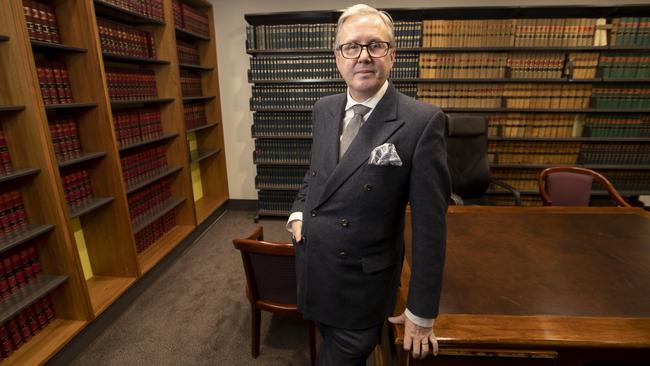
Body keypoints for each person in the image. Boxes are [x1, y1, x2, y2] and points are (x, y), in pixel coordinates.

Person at [287, 4, 450, 365]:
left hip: (363, 286)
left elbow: (430, 228)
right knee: (323, 336)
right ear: (337, 57)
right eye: (351, 47)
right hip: (315, 267)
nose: (363, 56)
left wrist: (421, 312)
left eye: (375, 46)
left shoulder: (422, 122)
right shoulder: (324, 108)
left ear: (392, 55)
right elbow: (315, 175)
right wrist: (298, 212)